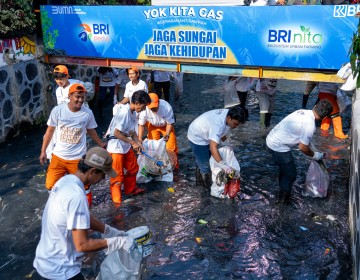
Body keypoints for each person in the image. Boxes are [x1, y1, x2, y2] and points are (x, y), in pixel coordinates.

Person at [34, 147, 136, 280]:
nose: (104, 178)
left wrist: (108, 230)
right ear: (93, 172)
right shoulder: (77, 196)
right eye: (103, 174)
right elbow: (82, 245)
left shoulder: (66, 181)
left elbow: (80, 217)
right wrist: (117, 242)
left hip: (43, 263)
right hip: (61, 272)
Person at [39, 84, 106, 206]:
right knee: (50, 184)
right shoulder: (58, 110)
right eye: (77, 96)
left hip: (77, 158)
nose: (80, 100)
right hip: (58, 156)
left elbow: (91, 131)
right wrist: (43, 151)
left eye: (83, 97)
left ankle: (86, 208)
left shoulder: (87, 113)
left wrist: (101, 144)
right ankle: (56, 206)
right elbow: (49, 131)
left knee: (83, 185)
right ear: (69, 96)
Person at [266, 99, 333, 204]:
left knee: (285, 171)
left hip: (272, 138)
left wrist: (314, 151)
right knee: (290, 174)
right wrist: (316, 155)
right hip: (277, 146)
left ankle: (282, 191)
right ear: (325, 117)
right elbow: (303, 147)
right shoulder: (310, 125)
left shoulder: (303, 111)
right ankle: (282, 202)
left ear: (315, 106)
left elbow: (303, 140)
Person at [106, 90, 151, 203]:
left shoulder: (133, 112)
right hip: (115, 147)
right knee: (117, 176)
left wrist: (138, 143)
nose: (144, 109)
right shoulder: (124, 112)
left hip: (124, 145)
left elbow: (131, 132)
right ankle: (117, 201)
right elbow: (116, 133)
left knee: (133, 168)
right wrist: (132, 143)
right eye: (143, 106)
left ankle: (130, 190)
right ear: (136, 102)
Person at [187, 106, 246, 189]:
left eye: (238, 124)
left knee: (206, 159)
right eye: (235, 124)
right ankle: (207, 189)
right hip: (197, 137)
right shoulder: (218, 125)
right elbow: (213, 147)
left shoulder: (229, 115)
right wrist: (224, 166)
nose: (236, 127)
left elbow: (222, 133)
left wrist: (227, 145)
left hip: (206, 132)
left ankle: (199, 181)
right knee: (205, 166)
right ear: (229, 118)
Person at [138, 93, 179, 168]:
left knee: (171, 148)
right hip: (153, 126)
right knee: (152, 148)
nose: (154, 109)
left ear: (158, 102)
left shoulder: (166, 107)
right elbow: (141, 125)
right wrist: (140, 139)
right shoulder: (144, 109)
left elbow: (170, 123)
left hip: (166, 126)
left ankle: (174, 168)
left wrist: (167, 134)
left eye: (155, 107)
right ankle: (155, 167)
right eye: (152, 108)